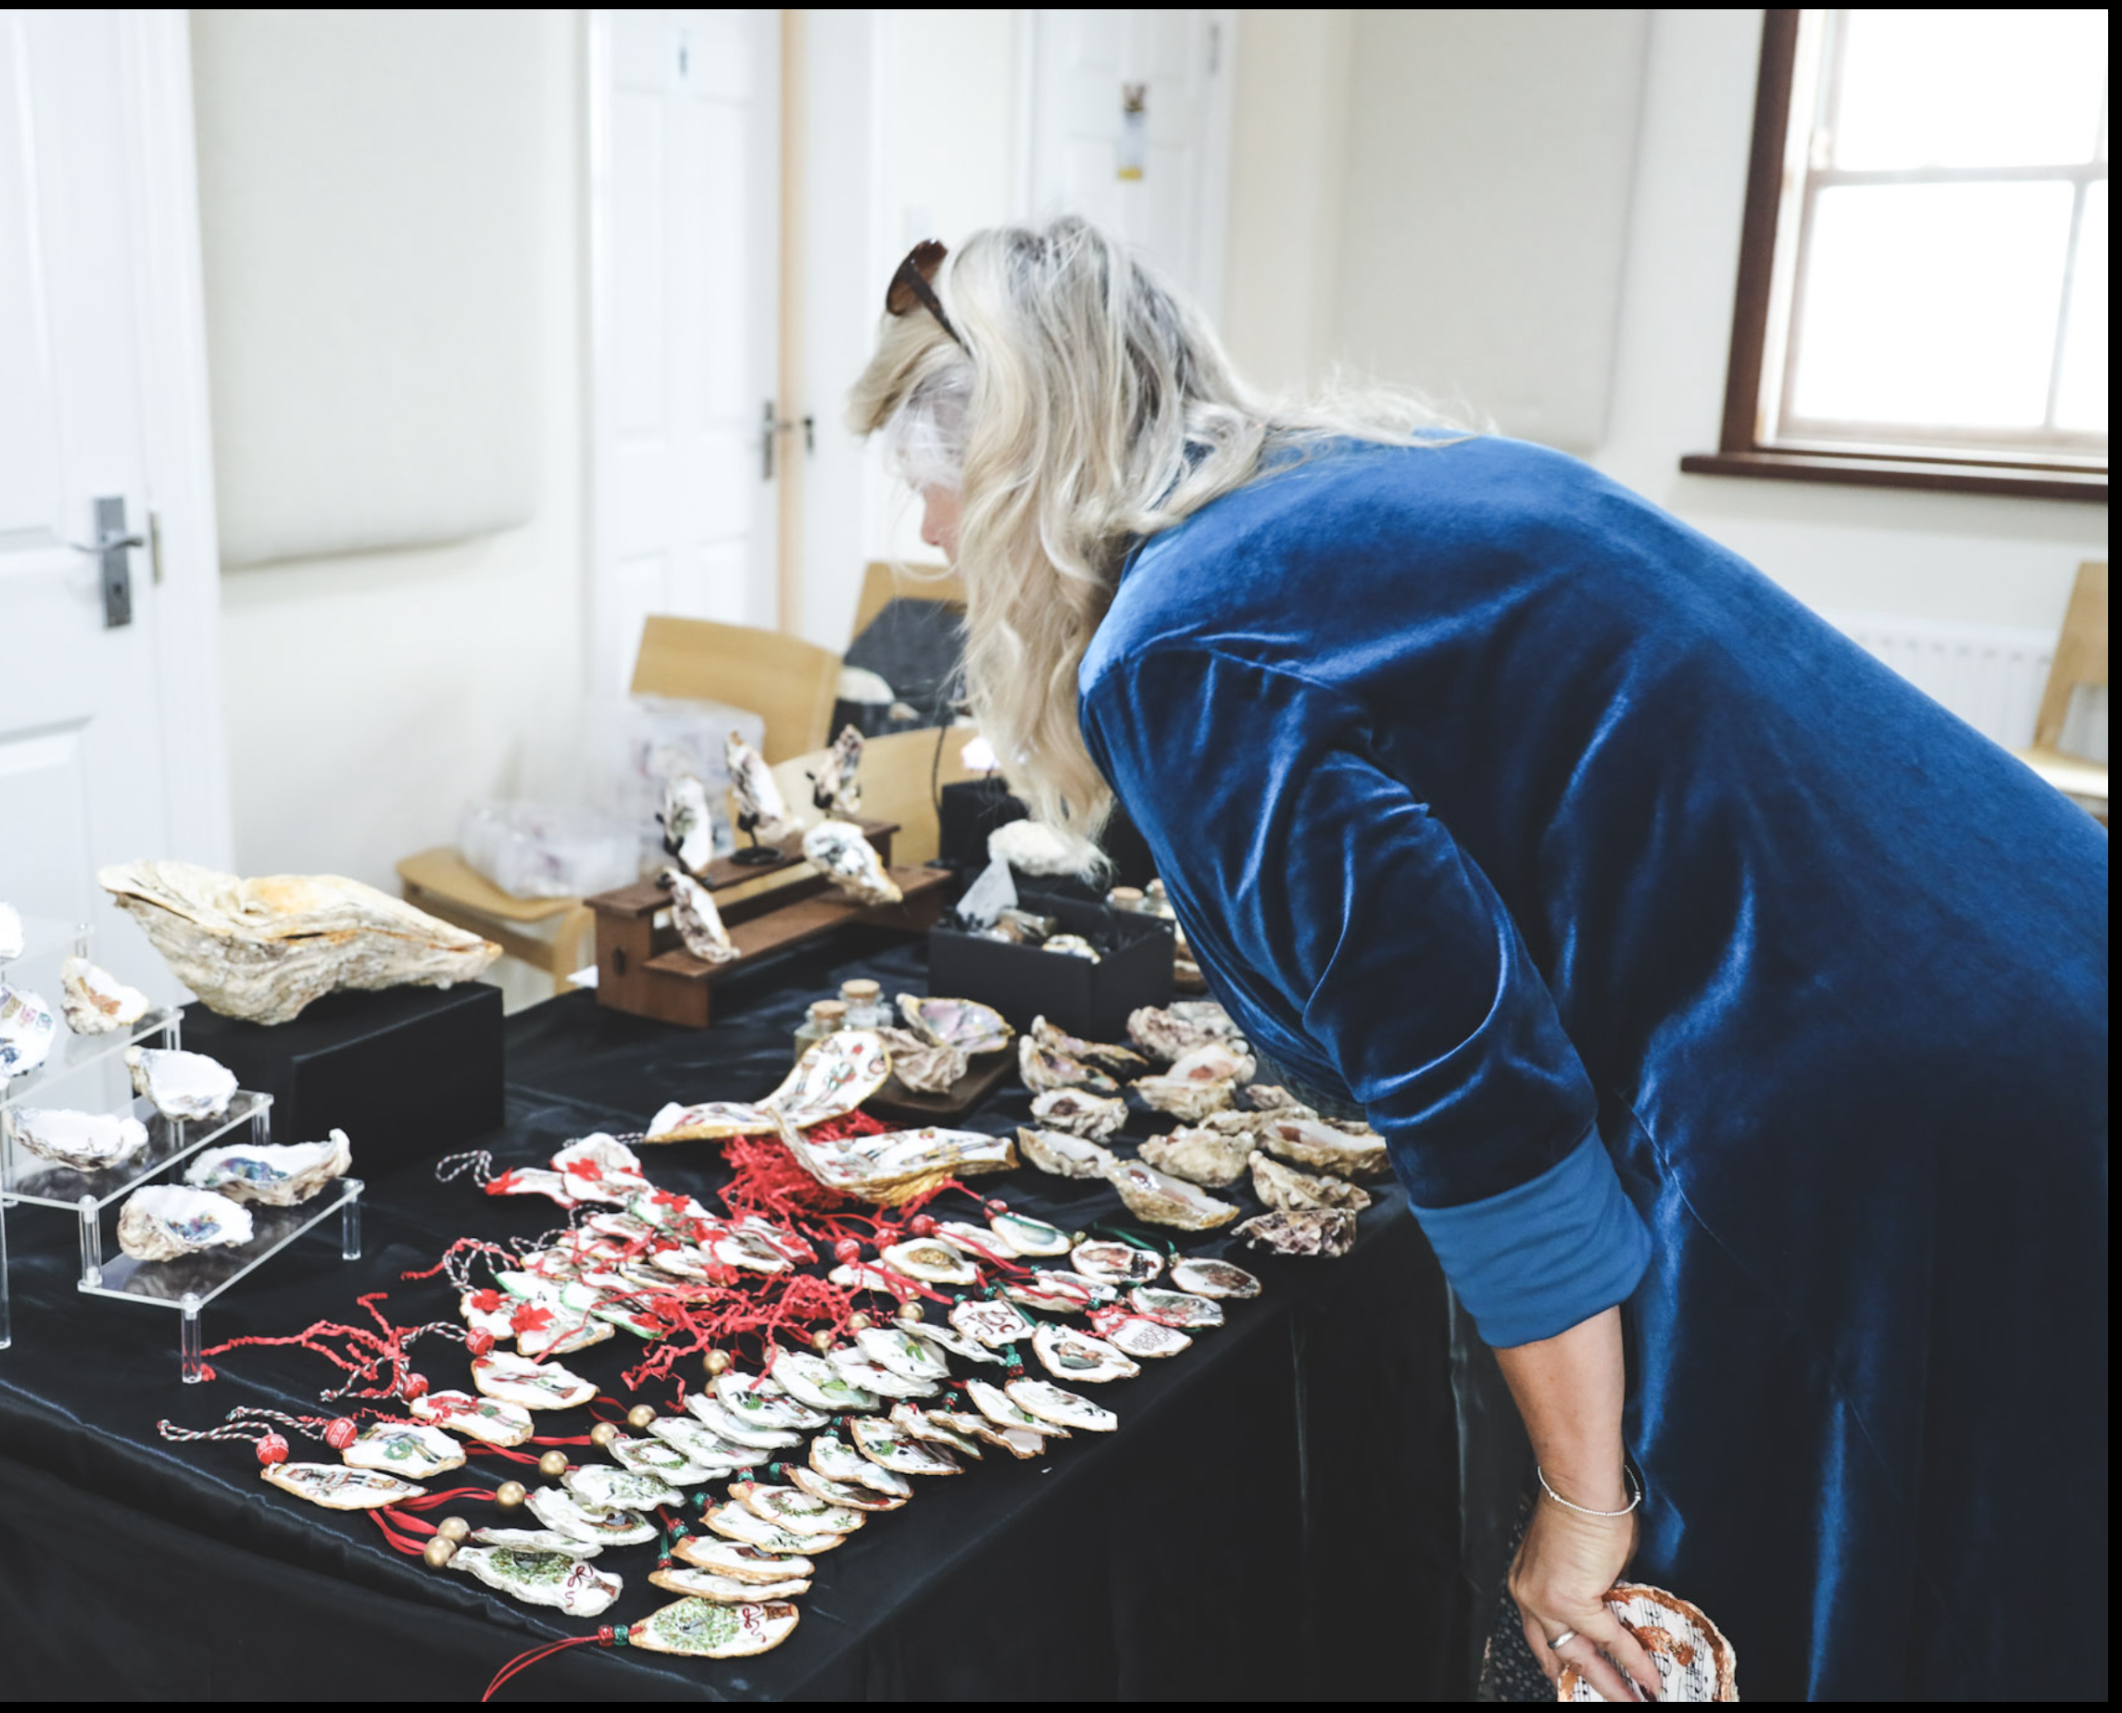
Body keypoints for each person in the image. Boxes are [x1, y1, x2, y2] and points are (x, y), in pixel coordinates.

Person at [848, 217, 2108, 1700]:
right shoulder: (1402, 471)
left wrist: (1582, 1504)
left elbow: (1487, 1111)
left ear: (1016, 471)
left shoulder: (1180, 648)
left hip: (1872, 1129)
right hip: (2046, 956)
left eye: (930, 485)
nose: (928, 538)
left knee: (1781, 1607)